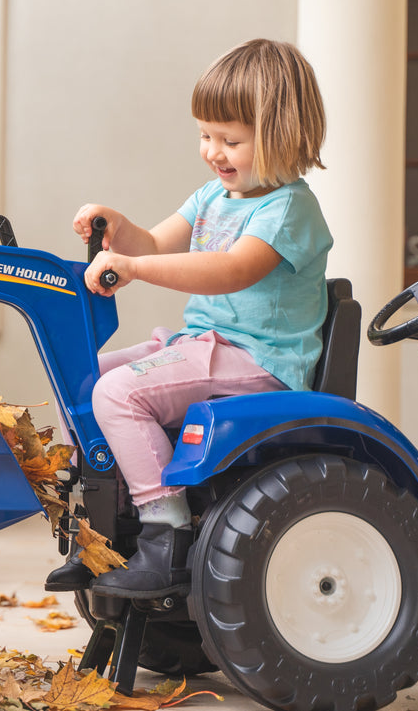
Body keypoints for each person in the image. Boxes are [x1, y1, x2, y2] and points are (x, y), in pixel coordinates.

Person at [45, 38, 332, 599]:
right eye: (205, 136)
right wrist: (118, 227)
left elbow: (232, 270)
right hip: (202, 347)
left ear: (283, 136)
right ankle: (106, 526)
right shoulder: (212, 197)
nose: (212, 152)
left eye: (230, 140)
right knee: (80, 379)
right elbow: (155, 242)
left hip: (257, 361)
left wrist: (135, 268)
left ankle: (166, 534)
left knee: (118, 394)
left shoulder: (289, 208)